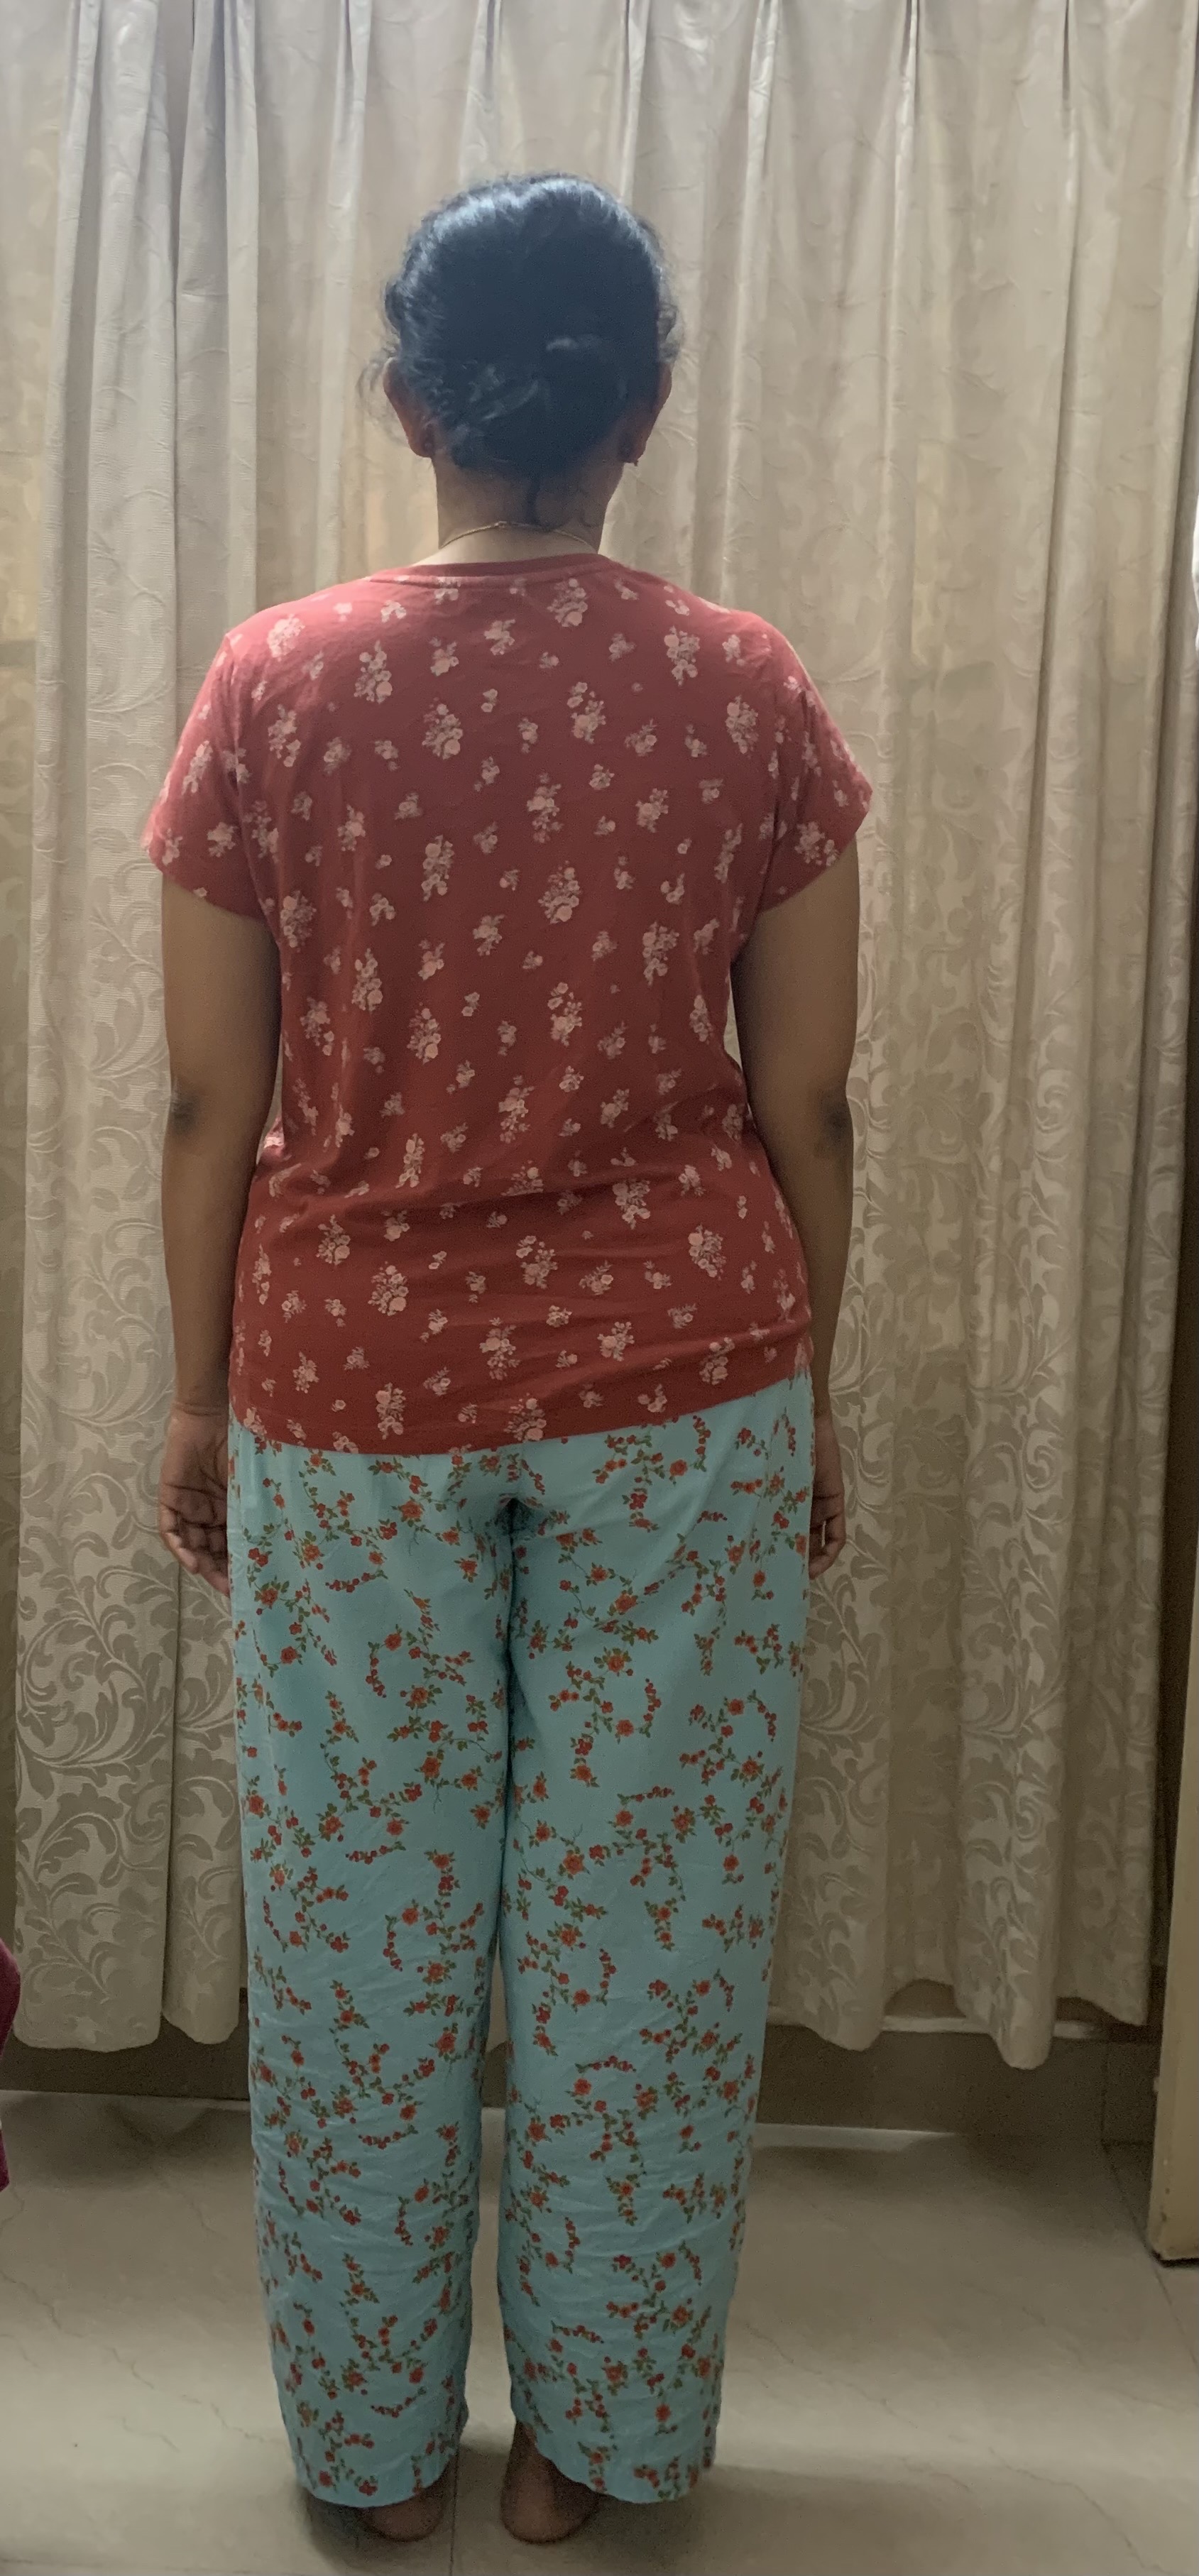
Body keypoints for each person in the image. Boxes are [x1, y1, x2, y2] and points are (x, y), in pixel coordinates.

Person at [148, 172, 870, 2547]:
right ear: (642, 408)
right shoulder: (746, 687)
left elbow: (209, 1106)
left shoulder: (273, 682)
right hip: (688, 1379)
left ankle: (372, 2458)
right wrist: (809, 1388)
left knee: (359, 1943)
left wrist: (194, 1397)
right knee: (642, 1946)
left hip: (351, 1388)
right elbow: (807, 1105)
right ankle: (600, 2446)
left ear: (408, 406)